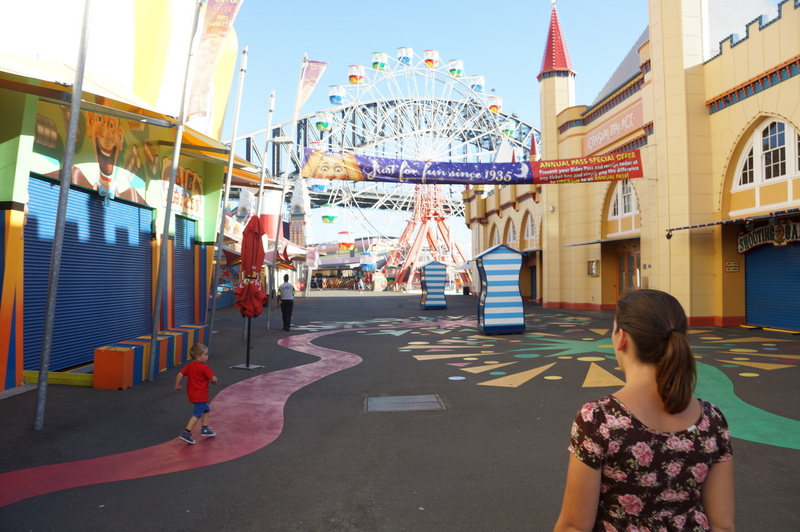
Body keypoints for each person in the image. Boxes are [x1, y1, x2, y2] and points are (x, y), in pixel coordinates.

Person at [553, 289, 734, 532]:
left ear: (622, 338)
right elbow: (723, 525)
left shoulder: (599, 419)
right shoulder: (712, 419)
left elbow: (575, 526)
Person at [174, 343, 218, 445]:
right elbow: (214, 379)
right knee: (197, 414)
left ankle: (204, 428)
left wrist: (177, 385)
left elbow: (180, 374)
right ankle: (186, 433)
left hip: (192, 394)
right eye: (205, 355)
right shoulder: (205, 367)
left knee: (206, 409)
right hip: (201, 395)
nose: (207, 356)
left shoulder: (189, 366)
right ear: (198, 357)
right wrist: (214, 381)